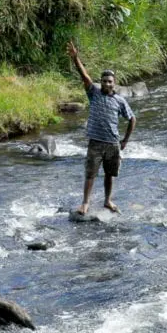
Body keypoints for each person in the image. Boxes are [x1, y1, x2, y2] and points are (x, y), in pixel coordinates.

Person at [67, 41, 136, 215]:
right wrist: (76, 58)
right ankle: (85, 203)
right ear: (101, 82)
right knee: (90, 174)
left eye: (110, 81)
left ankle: (107, 201)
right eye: (104, 81)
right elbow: (84, 76)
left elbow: (132, 118)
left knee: (109, 174)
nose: (107, 83)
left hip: (113, 143)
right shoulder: (94, 94)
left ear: (114, 83)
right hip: (95, 142)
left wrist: (125, 140)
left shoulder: (120, 101)